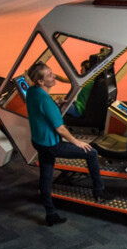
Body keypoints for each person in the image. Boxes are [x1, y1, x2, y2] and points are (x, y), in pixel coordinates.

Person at [25, 62, 107, 226]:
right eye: (49, 75)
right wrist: (78, 142)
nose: (54, 76)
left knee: (46, 177)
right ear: (40, 81)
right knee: (90, 153)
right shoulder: (45, 100)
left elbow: (41, 107)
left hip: (39, 142)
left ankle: (50, 213)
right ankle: (99, 191)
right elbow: (61, 129)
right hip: (52, 145)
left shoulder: (31, 92)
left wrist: (57, 102)